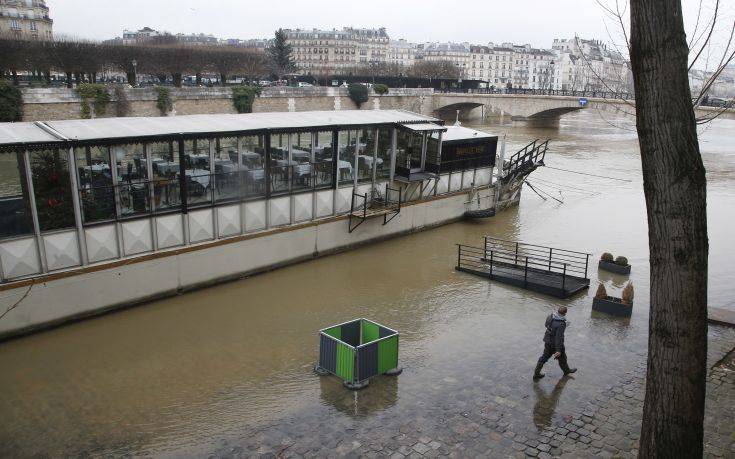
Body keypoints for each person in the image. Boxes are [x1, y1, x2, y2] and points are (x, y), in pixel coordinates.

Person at [533, 306, 577, 380]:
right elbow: (558, 338)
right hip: (555, 344)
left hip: (547, 341)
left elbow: (546, 325)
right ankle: (566, 371)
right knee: (562, 358)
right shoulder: (561, 324)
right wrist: (558, 350)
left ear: (558, 311)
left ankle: (536, 374)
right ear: (565, 313)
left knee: (544, 357)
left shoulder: (550, 316)